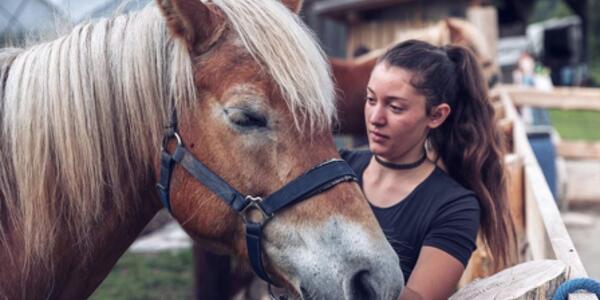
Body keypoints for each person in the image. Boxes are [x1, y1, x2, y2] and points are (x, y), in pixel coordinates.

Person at [339, 40, 514, 300]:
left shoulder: (455, 206)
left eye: (395, 107)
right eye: (371, 99)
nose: (376, 117)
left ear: (436, 116)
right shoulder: (337, 168)